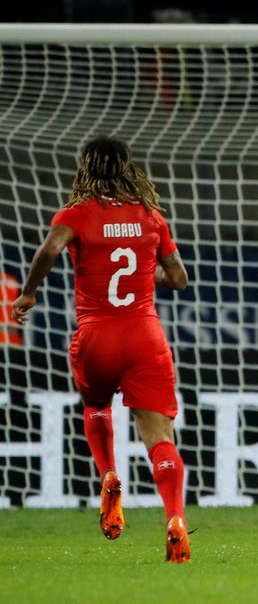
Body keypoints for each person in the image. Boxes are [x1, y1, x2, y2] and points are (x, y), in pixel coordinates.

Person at [11, 135, 192, 564]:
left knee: (96, 405)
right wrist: (147, 278)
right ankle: (176, 518)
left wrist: (30, 293)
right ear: (128, 167)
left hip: (96, 335)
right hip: (145, 335)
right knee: (160, 439)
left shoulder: (77, 214)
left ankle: (108, 474)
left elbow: (49, 249)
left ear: (86, 168)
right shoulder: (151, 216)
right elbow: (180, 278)